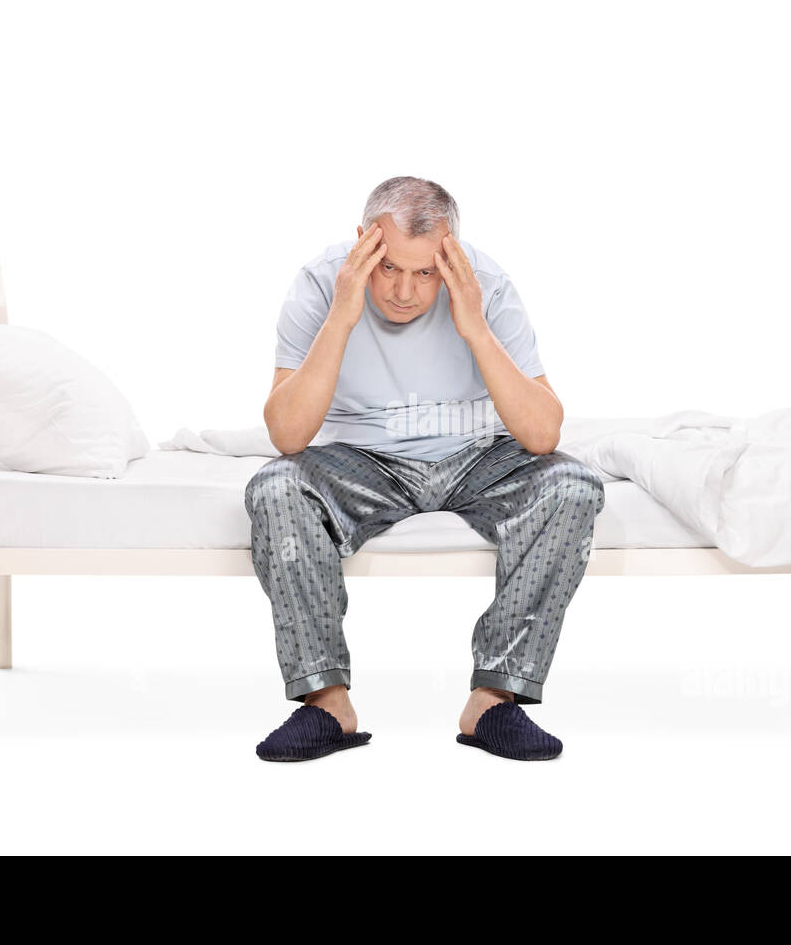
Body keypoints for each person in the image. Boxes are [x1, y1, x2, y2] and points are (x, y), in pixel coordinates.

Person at [245, 176, 605, 762]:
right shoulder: (321, 284)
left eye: (426, 272)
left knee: (572, 485)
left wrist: (475, 327)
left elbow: (542, 434)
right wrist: (343, 313)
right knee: (276, 487)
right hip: (362, 458)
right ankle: (325, 703)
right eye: (389, 268)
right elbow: (288, 435)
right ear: (363, 242)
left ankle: (495, 699)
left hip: (476, 456)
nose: (406, 292)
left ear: (451, 256)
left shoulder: (485, 284)